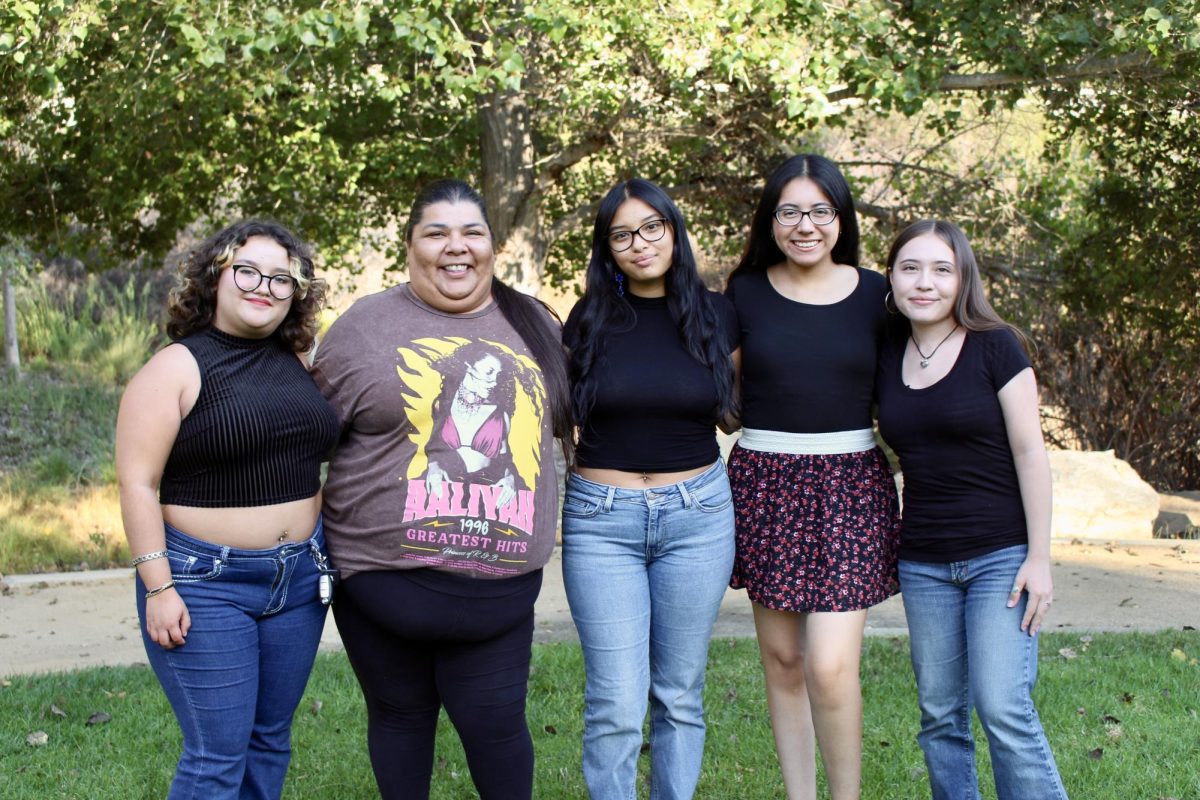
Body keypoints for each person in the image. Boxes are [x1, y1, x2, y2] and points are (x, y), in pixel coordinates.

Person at [312, 179, 572, 800]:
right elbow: (309, 436)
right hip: (382, 587)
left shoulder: (535, 324)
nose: (455, 248)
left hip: (500, 597)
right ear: (410, 247)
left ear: (492, 246)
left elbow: (568, 429)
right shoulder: (361, 328)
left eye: (471, 232)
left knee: (498, 727)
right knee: (400, 719)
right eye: (436, 232)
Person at [115, 220, 339, 799]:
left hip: (299, 580)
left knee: (270, 739)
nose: (263, 286)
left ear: (296, 292)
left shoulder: (299, 359)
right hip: (203, 585)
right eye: (248, 271)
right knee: (216, 754)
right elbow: (138, 483)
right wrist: (159, 587)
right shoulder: (175, 368)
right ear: (216, 276)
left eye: (281, 278)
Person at [724, 154, 900, 800]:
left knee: (829, 664)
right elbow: (719, 390)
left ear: (840, 218)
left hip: (850, 484)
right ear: (771, 220)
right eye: (790, 211)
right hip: (766, 483)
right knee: (785, 661)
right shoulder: (742, 294)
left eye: (820, 211)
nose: (805, 225)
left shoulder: (878, 294)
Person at [876, 220, 1068, 799]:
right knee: (939, 717)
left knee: (1003, 706)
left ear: (963, 279)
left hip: (1001, 557)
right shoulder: (886, 351)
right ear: (891, 278)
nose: (925, 283)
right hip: (925, 561)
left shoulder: (996, 344)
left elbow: (1030, 451)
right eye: (910, 268)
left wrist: (1040, 557)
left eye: (941, 269)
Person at [561, 179, 739, 800]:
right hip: (600, 520)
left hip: (698, 516)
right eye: (622, 235)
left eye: (651, 229)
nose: (640, 245)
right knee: (615, 699)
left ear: (674, 229)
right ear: (607, 250)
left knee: (679, 692)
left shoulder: (718, 314)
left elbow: (746, 401)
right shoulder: (588, 320)